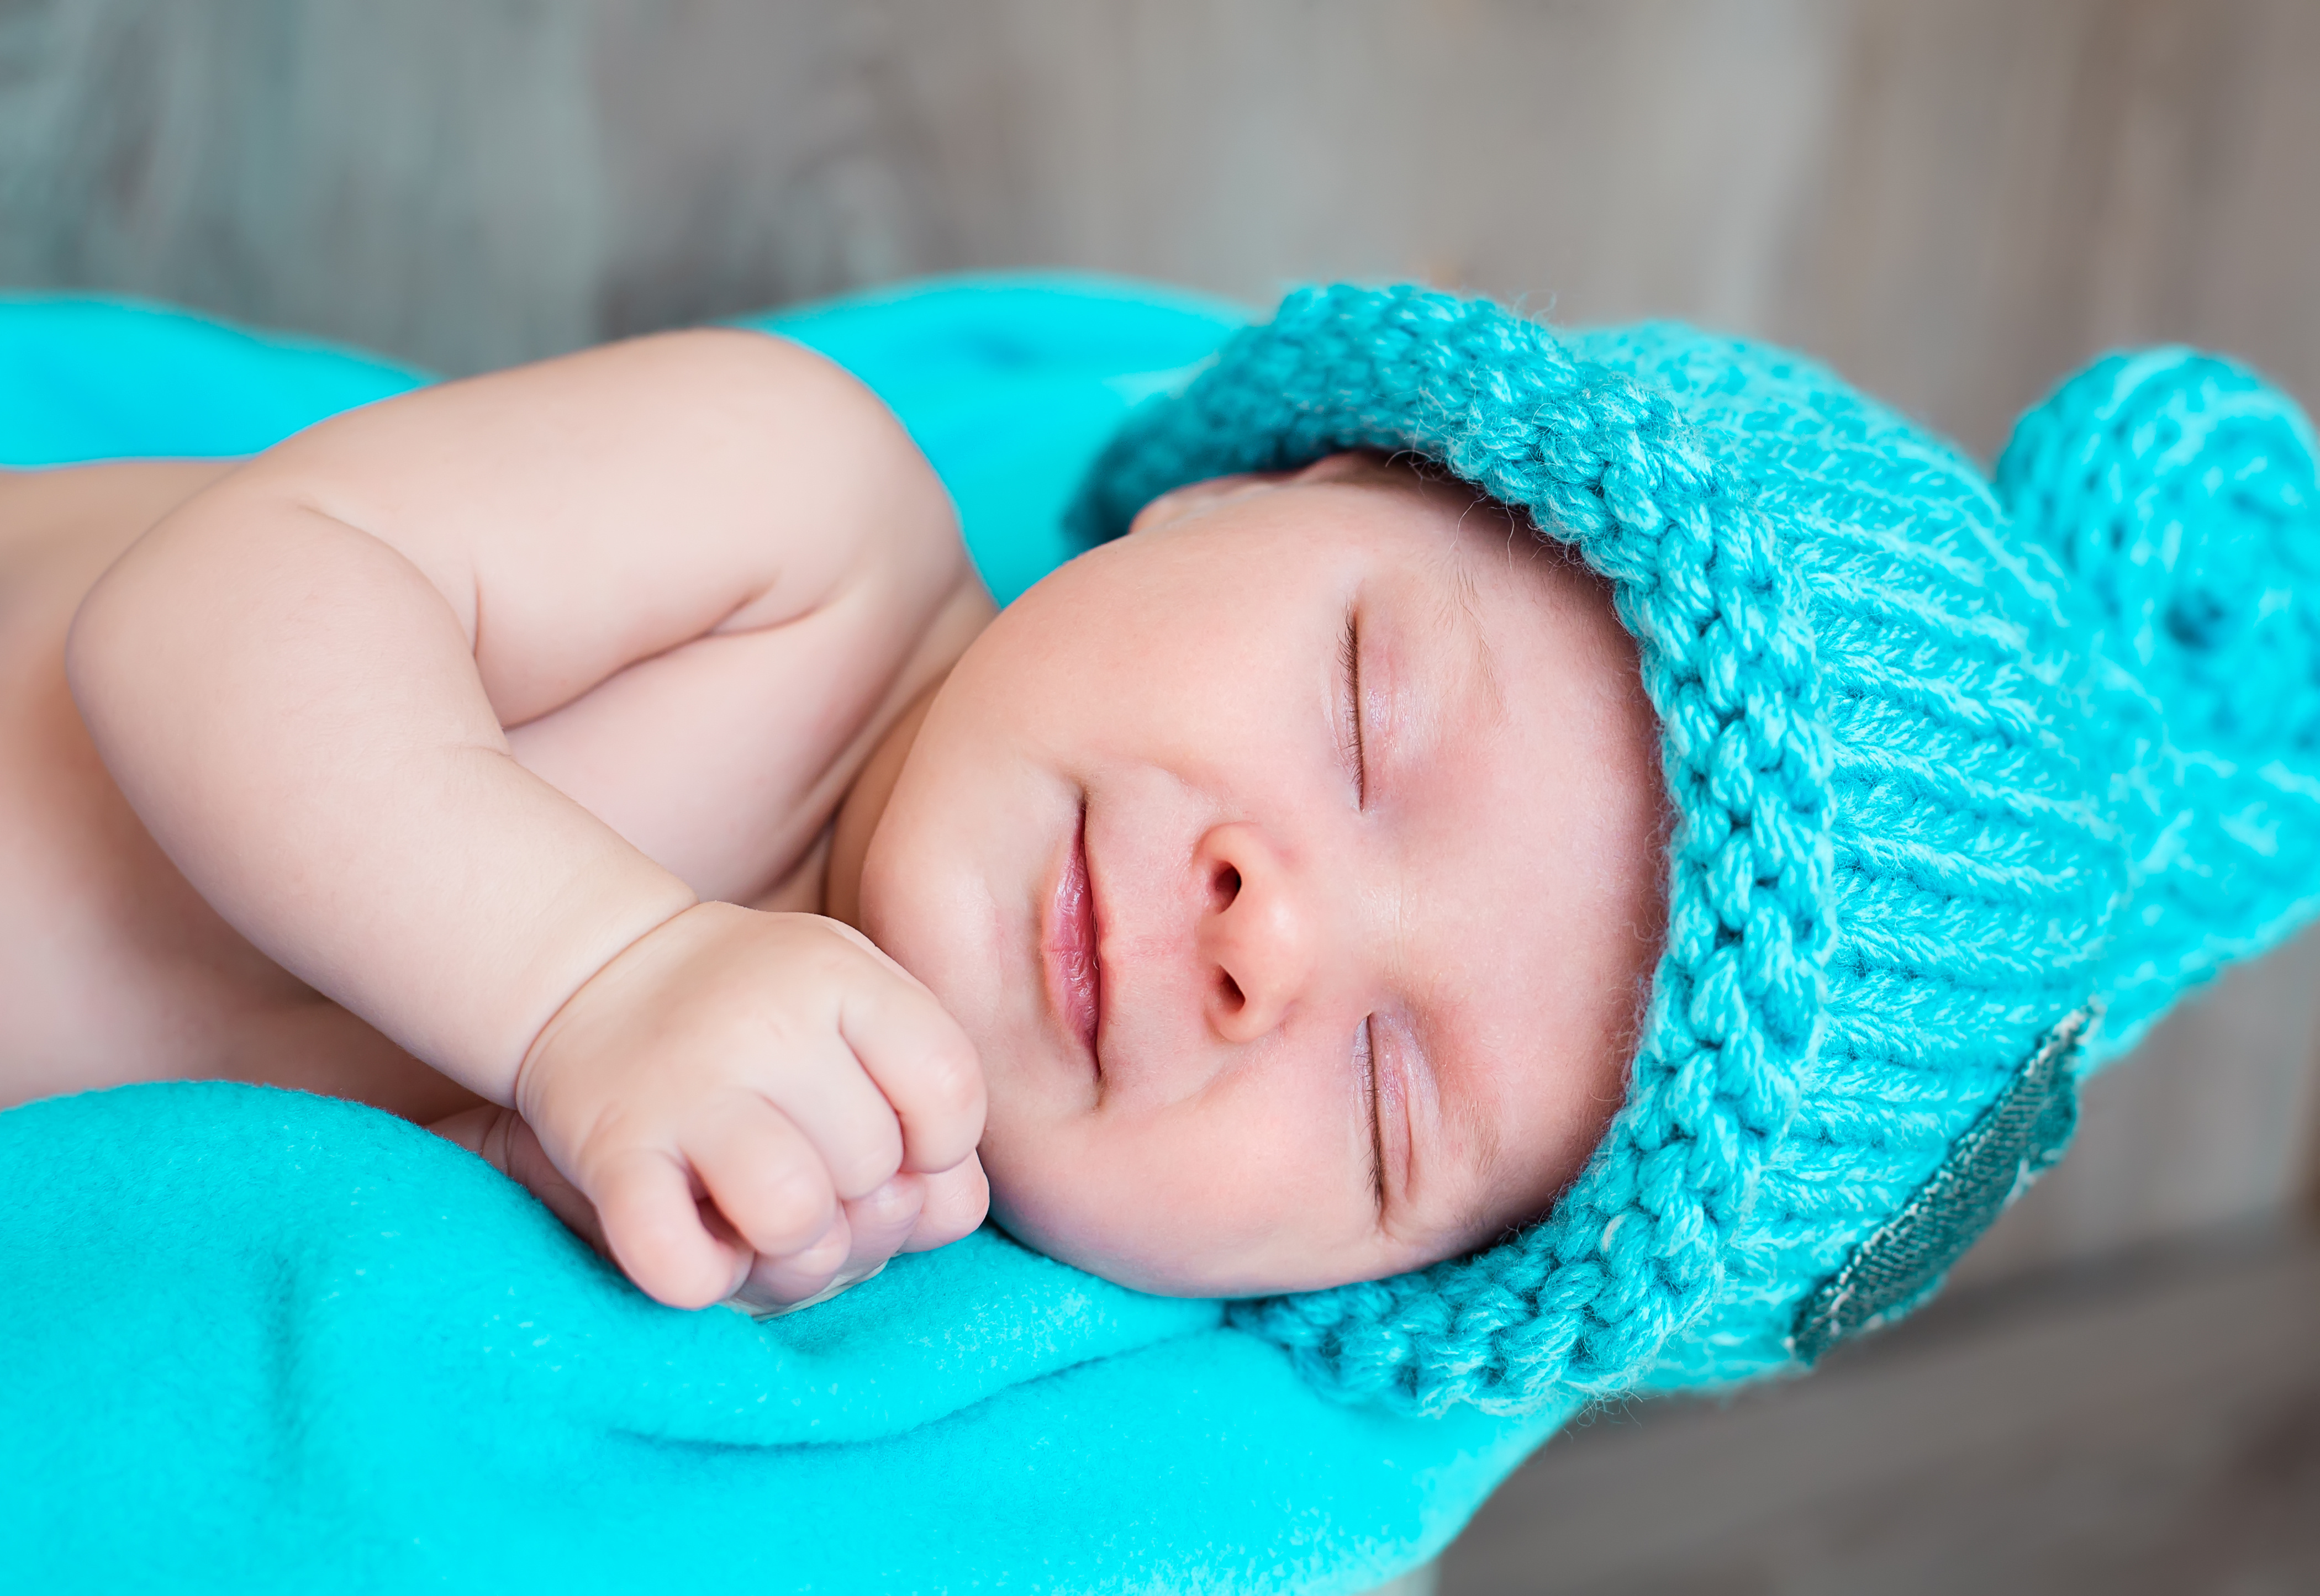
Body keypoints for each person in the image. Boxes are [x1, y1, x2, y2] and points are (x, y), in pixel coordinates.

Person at [0, 306, 1665, 1320]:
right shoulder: (800, 514)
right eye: (1366, 712)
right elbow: (203, 618)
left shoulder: (851, 1215)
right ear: (1227, 495)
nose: (1270, 933)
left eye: (1386, 1098)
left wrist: (545, 1171)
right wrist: (598, 979)